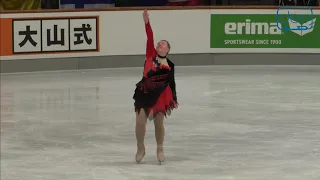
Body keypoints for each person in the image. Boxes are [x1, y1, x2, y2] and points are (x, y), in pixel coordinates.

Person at [133, 9, 178, 164]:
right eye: (159, 43)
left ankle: (160, 148)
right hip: (144, 93)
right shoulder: (150, 54)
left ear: (168, 49)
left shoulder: (170, 65)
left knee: (159, 123)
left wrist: (173, 98)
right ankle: (140, 148)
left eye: (163, 44)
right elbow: (150, 36)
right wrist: (147, 23)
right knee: (140, 123)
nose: (160, 44)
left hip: (160, 96)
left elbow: (171, 83)